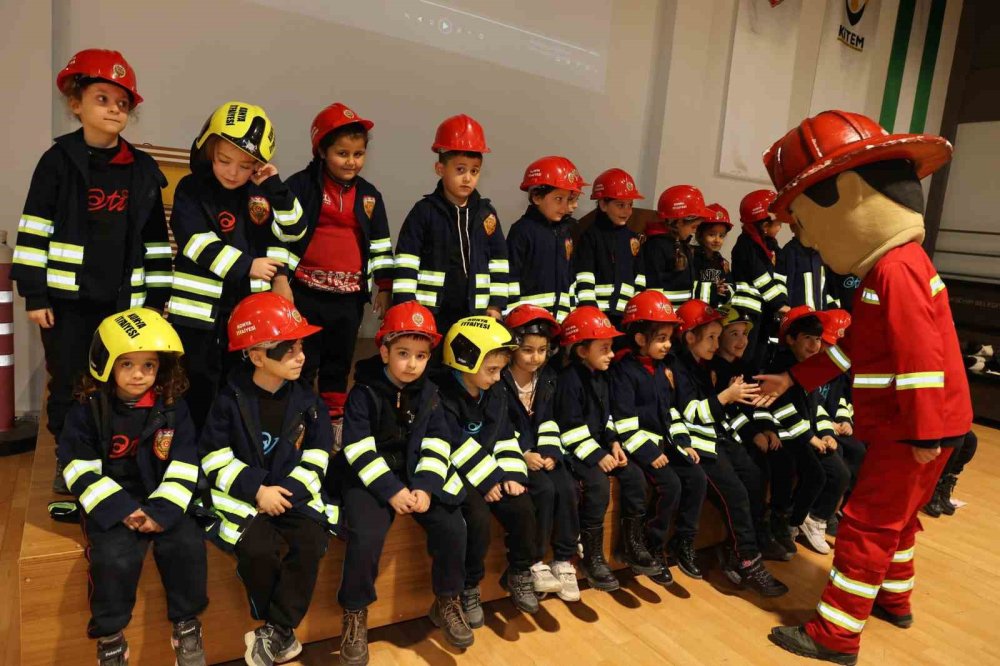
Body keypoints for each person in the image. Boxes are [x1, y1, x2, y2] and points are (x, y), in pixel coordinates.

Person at [759, 111, 972, 665]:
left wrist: (923, 431)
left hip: (912, 430)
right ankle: (895, 600)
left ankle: (834, 636)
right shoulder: (897, 266)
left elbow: (922, 360)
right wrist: (795, 375)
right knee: (898, 523)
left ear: (848, 195)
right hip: (926, 427)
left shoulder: (894, 271)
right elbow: (859, 348)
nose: (802, 236)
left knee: (865, 525)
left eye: (802, 219)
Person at [12, 49, 172, 493]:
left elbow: (157, 241)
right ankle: (71, 463)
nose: (114, 110)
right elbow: (34, 229)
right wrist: (36, 295)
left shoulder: (142, 170)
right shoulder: (58, 162)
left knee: (119, 385)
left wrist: (157, 302)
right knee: (68, 384)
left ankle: (115, 460)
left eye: (122, 104)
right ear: (76, 104)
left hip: (125, 305)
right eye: (103, 99)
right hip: (67, 306)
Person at [58, 308, 206, 666]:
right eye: (127, 364)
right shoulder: (87, 410)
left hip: (161, 497)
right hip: (111, 502)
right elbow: (78, 470)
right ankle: (110, 638)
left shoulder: (173, 408)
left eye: (149, 366)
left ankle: (186, 626)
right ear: (105, 362)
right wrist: (125, 511)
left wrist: (162, 513)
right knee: (113, 557)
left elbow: (184, 463)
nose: (139, 374)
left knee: (187, 544)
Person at [199, 293, 338, 666]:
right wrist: (257, 489)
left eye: (301, 346)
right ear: (257, 356)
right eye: (288, 350)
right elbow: (213, 456)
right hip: (245, 499)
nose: (300, 356)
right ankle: (279, 630)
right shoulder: (229, 399)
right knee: (257, 550)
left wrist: (287, 492)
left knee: (311, 541)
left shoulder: (308, 401)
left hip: (294, 496)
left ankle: (275, 630)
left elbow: (320, 453)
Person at [336, 302, 471, 665]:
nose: (412, 363)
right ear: (384, 352)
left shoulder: (431, 393)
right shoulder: (363, 393)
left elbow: (439, 442)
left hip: (415, 477)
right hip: (369, 479)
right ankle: (354, 613)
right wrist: (391, 491)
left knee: (453, 525)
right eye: (403, 354)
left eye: (422, 355)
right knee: (365, 534)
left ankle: (447, 600)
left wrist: (426, 487)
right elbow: (358, 449)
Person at [168, 102, 306, 430]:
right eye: (224, 160)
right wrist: (248, 265)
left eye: (245, 166)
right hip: (197, 315)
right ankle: (195, 449)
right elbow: (194, 242)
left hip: (247, 311)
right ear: (207, 151)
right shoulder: (191, 189)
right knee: (196, 383)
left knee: (241, 381)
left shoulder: (263, 192)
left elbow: (293, 231)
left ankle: (233, 446)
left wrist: (276, 188)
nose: (232, 172)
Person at [286, 103, 394, 444]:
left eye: (359, 153)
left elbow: (379, 244)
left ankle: (333, 425)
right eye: (342, 153)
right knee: (304, 361)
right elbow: (283, 237)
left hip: (348, 299)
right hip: (304, 293)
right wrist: (279, 284)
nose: (352, 161)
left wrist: (384, 286)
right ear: (322, 151)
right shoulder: (301, 186)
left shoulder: (369, 196)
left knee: (338, 362)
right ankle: (297, 420)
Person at [673, 299, 789, 596]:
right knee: (735, 493)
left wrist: (730, 396)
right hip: (698, 447)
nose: (717, 342)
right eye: (711, 337)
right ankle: (749, 561)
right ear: (689, 337)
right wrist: (726, 396)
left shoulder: (705, 365)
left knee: (754, 477)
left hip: (720, 438)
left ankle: (734, 550)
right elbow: (691, 414)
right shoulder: (678, 369)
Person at [437, 317, 540, 623]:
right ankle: (468, 586)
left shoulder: (494, 391)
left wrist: (510, 474)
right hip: (452, 472)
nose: (498, 378)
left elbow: (504, 434)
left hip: (488, 470)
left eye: (500, 370)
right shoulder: (440, 393)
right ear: (464, 360)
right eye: (492, 370)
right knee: (477, 517)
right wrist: (489, 478)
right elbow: (450, 441)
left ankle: (519, 571)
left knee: (522, 505)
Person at [553, 306, 662, 591]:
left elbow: (609, 416)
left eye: (611, 347)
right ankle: (592, 556)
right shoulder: (568, 381)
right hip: (574, 451)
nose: (612, 354)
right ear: (581, 350)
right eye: (604, 348)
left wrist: (613, 442)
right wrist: (597, 455)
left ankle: (632, 543)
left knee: (636, 477)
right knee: (598, 485)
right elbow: (569, 427)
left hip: (600, 447)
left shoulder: (602, 375)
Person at [609, 291, 708, 584]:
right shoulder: (624, 371)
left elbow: (671, 413)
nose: (668, 345)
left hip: (666, 444)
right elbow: (625, 422)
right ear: (640, 339)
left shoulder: (663, 368)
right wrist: (650, 453)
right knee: (671, 485)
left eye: (669, 338)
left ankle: (683, 541)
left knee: (697, 478)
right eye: (661, 338)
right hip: (643, 449)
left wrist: (683, 443)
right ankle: (650, 547)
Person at [393, 115, 508, 335]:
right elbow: (407, 260)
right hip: (431, 314)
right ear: (440, 169)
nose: (467, 178)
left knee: (469, 369)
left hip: (476, 314)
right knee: (432, 367)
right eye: (460, 169)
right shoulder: (424, 212)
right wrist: (406, 306)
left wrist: (495, 304)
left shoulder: (487, 214)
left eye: (474, 171)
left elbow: (499, 263)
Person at [499, 305, 581, 601]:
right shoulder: (500, 379)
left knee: (567, 486)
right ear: (512, 348)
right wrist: (523, 453)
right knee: (544, 490)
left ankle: (563, 559)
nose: (535, 357)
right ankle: (534, 562)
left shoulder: (547, 378)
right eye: (527, 350)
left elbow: (550, 417)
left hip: (542, 452)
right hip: (511, 455)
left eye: (542, 350)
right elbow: (499, 425)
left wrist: (547, 450)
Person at [766, 307, 851, 555]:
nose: (814, 346)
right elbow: (779, 409)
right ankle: (784, 522)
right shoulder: (780, 365)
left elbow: (817, 409)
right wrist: (809, 437)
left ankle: (801, 520)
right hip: (785, 435)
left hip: (808, 435)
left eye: (817, 339)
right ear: (791, 339)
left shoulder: (811, 365)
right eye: (807, 338)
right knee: (811, 473)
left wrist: (826, 433)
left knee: (839, 472)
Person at [506, 156, 585, 321]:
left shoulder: (565, 233)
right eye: (558, 199)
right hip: (529, 323)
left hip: (560, 322)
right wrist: (514, 319)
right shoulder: (522, 231)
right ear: (537, 197)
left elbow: (570, 279)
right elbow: (511, 279)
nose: (565, 206)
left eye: (568, 199)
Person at [574, 169, 646, 328]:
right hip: (598, 313)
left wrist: (637, 310)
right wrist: (589, 310)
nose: (627, 211)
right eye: (620, 205)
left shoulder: (633, 238)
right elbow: (584, 276)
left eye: (630, 205)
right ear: (603, 204)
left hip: (626, 316)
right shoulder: (591, 236)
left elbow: (639, 277)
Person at [731, 189, 789, 374]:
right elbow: (760, 277)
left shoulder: (771, 246)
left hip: (765, 311)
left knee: (760, 356)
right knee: (746, 357)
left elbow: (780, 276)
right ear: (764, 225)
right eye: (778, 223)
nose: (780, 227)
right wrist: (780, 304)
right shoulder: (746, 246)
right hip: (748, 312)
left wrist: (782, 303)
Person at [643, 185, 713, 307]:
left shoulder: (682, 245)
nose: (694, 232)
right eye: (693, 227)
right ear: (679, 222)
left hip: (680, 316)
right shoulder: (656, 247)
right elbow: (653, 289)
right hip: (664, 318)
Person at [692, 203, 734, 307]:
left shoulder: (723, 263)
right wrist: (713, 289)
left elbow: (731, 287)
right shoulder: (691, 257)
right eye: (711, 234)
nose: (717, 240)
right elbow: (687, 287)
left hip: (715, 311)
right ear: (700, 234)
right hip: (694, 310)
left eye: (721, 236)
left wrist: (725, 290)